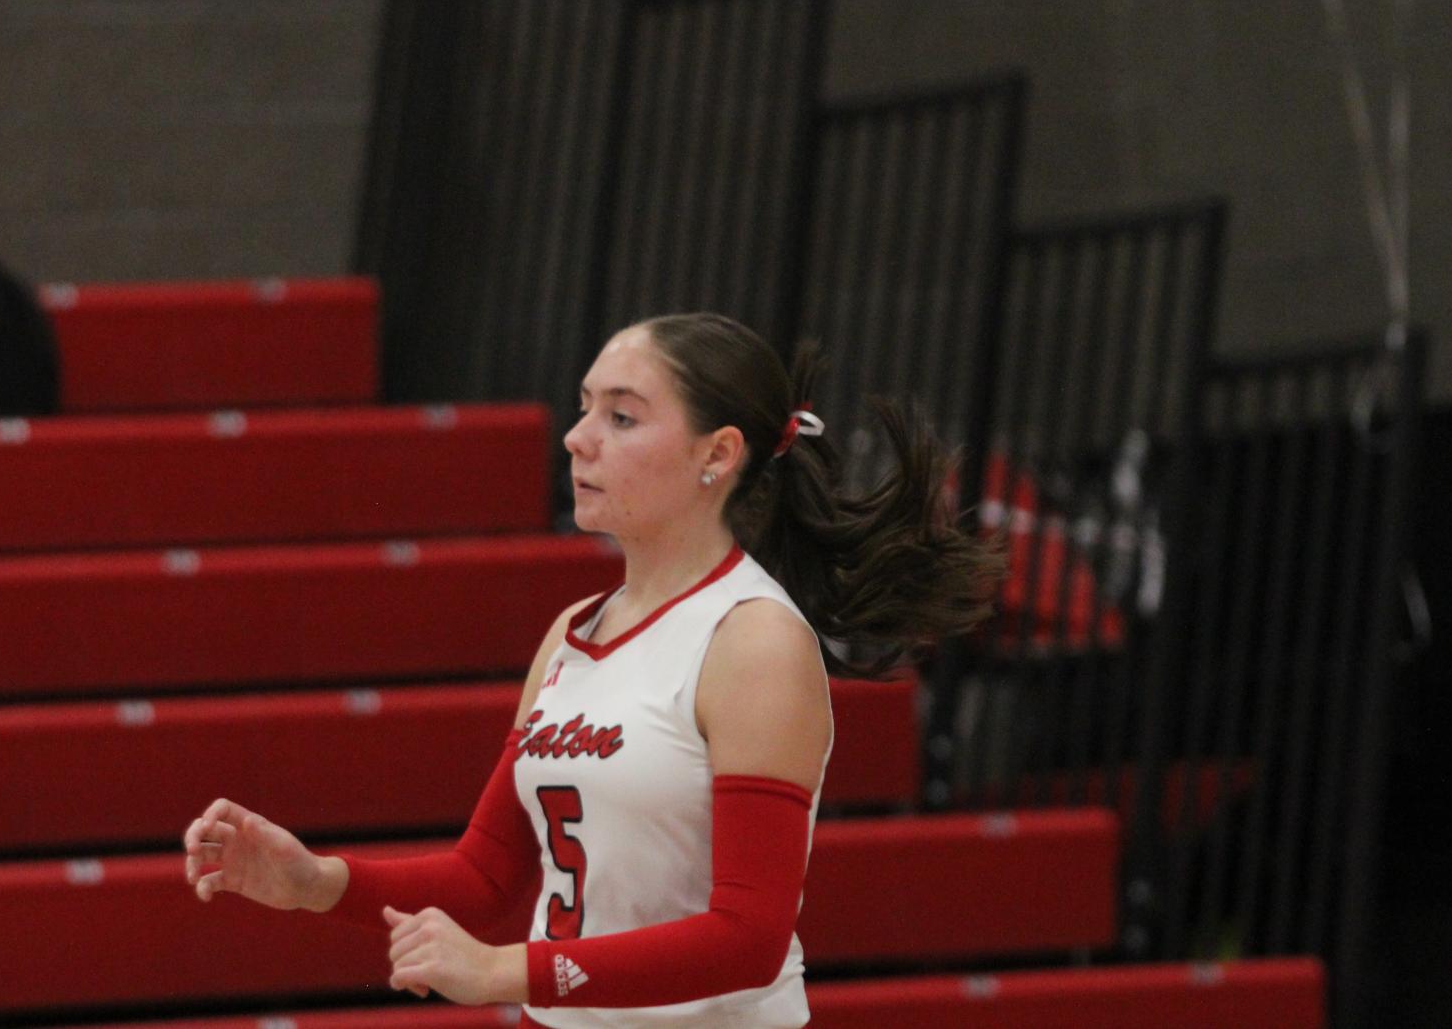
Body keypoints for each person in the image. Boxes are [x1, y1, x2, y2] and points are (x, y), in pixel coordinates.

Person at [182, 312, 999, 1025]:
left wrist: (508, 970)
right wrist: (314, 880)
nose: (579, 437)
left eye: (621, 416)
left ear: (716, 453)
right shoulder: (571, 632)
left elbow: (748, 942)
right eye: (583, 409)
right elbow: (488, 877)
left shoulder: (752, 640)